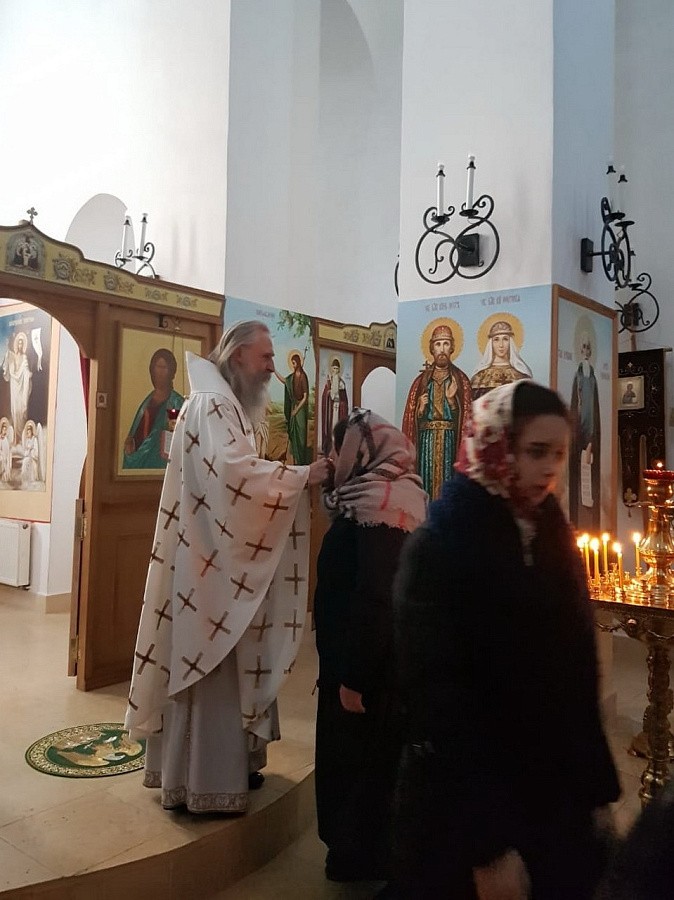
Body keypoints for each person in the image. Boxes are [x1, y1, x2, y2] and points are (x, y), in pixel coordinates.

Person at [388, 380, 620, 899]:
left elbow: (579, 674)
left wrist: (595, 793)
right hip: (467, 810)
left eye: (558, 454)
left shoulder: (551, 534)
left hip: (552, 798)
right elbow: (440, 705)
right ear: (497, 444)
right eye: (536, 451)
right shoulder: (441, 546)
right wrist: (486, 846)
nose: (550, 468)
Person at [124, 321, 330, 814]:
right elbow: (237, 476)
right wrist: (304, 475)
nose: (273, 368)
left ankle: (225, 770)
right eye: (266, 357)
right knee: (210, 663)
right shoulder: (213, 404)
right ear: (238, 356)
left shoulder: (220, 402)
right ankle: (201, 784)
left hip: (215, 556)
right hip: (207, 567)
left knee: (225, 659)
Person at [313, 408, 427, 883]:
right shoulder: (374, 497)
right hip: (362, 659)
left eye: (338, 447)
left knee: (357, 762)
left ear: (361, 450)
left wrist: (354, 678)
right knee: (363, 759)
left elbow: (377, 597)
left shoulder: (381, 506)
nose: (332, 458)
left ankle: (357, 856)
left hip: (366, 668)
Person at [401, 323, 472, 500]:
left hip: (449, 441)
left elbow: (466, 419)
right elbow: (412, 420)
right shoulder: (421, 381)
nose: (442, 349)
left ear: (452, 347)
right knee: (426, 480)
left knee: (447, 483)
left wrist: (451, 401)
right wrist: (420, 409)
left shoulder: (460, 380)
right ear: (432, 348)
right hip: (427, 441)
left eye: (446, 344)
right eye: (438, 344)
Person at [122, 348, 184, 469]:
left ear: (171, 372)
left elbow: (173, 432)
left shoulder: (175, 403)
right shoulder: (147, 401)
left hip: (160, 464)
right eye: (157, 367)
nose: (160, 372)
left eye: (164, 367)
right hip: (139, 461)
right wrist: (130, 445)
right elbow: (136, 431)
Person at [569, 333, 601, 530]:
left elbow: (593, 409)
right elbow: (577, 404)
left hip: (591, 435)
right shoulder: (578, 376)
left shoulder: (593, 378)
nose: (586, 351)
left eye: (589, 348)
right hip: (579, 434)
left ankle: (590, 526)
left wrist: (591, 438)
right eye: (583, 348)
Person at [470, 320, 532, 400]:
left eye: (505, 339)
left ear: (510, 343)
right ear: (491, 344)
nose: (501, 345)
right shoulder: (479, 376)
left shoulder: (521, 375)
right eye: (496, 339)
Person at [275, 352, 310, 464]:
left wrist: (297, 410)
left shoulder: (303, 377)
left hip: (301, 410)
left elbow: (305, 397)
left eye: (294, 363)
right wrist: (275, 371)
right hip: (294, 407)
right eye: (292, 363)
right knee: (294, 436)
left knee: (301, 436)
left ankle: (301, 461)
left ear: (298, 363)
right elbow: (284, 381)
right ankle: (295, 460)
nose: (293, 365)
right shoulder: (292, 377)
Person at [2, 331, 32, 442]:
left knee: (21, 410)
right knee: (14, 410)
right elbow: (9, 369)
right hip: (14, 386)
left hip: (21, 387)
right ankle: (15, 436)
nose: (20, 345)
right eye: (18, 343)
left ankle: (21, 436)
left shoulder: (24, 358)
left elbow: (25, 370)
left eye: (21, 343)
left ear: (23, 345)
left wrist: (28, 374)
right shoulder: (13, 357)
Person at [320, 357, 349, 455]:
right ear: (331, 369)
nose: (335, 371)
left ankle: (337, 450)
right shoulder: (329, 382)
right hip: (330, 410)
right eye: (334, 368)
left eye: (337, 369)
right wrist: (328, 393)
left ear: (339, 370)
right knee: (330, 428)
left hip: (338, 409)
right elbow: (325, 396)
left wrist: (341, 404)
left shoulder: (342, 383)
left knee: (337, 429)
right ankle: (329, 449)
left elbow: (344, 400)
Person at [20, 420, 39, 485]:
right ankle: (25, 480)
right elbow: (25, 449)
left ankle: (31, 480)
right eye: (27, 432)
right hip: (27, 456)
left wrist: (31, 451)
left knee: (31, 464)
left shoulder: (34, 439)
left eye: (29, 432)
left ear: (32, 432)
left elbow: (36, 450)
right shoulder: (27, 440)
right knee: (25, 462)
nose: (28, 433)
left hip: (33, 457)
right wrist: (27, 451)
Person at [0, 417, 12, 483]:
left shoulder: (5, 439)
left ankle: (6, 476)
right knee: (2, 460)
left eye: (5, 430)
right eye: (3, 430)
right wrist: (2, 454)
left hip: (6, 455)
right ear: (1, 430)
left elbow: (7, 448)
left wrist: (7, 455)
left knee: (7, 460)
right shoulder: (0, 438)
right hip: (1, 455)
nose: (4, 431)